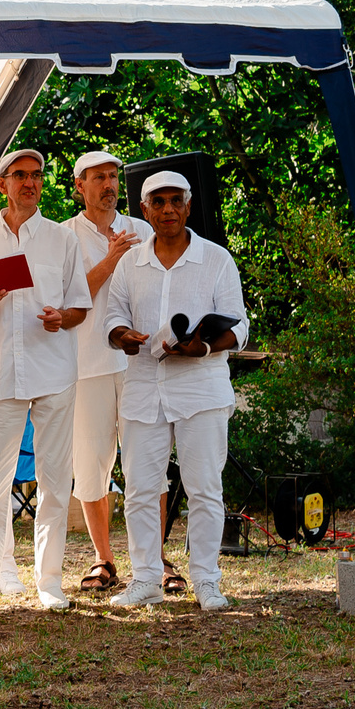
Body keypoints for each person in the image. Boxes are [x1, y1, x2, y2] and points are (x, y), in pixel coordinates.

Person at [0, 147, 93, 614]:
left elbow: (80, 309)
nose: (30, 183)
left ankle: (49, 582)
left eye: (37, 175)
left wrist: (60, 318)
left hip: (53, 372)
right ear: (3, 184)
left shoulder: (61, 239)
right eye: (20, 176)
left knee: (54, 480)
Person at [102, 171, 248, 611]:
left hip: (201, 387)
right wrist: (123, 336)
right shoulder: (130, 262)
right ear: (145, 210)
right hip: (144, 384)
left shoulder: (216, 258)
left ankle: (206, 579)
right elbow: (113, 318)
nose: (167, 210)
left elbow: (238, 326)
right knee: (142, 490)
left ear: (188, 206)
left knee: (204, 487)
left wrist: (202, 346)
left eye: (175, 201)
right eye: (157, 202)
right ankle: (146, 577)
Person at [64, 151, 152, 595]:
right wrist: (114, 258)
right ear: (79, 185)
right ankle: (104, 559)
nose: (109, 184)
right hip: (87, 366)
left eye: (114, 176)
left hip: (140, 363)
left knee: (146, 459)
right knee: (91, 463)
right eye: (99, 177)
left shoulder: (145, 229)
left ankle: (152, 560)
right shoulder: (64, 237)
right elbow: (74, 299)